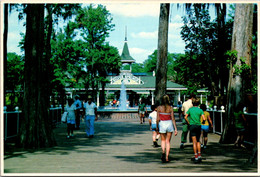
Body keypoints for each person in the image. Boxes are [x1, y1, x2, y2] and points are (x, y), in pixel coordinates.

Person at [156, 95, 178, 163]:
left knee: (163, 140)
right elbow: (173, 118)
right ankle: (167, 157)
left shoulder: (159, 108)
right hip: (169, 123)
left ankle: (163, 152)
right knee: (168, 141)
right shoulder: (170, 108)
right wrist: (175, 129)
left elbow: (157, 119)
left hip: (162, 123)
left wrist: (157, 127)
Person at [184, 98, 205, 163]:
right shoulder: (200, 110)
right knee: (198, 141)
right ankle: (199, 155)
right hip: (198, 125)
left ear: (192, 103)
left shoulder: (190, 110)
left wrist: (189, 122)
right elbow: (204, 118)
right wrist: (202, 122)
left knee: (194, 142)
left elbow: (185, 117)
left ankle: (195, 156)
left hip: (192, 125)